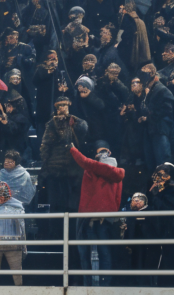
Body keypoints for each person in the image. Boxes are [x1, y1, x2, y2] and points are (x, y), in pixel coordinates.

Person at [73, 144, 126, 285]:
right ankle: (103, 283)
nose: (100, 155)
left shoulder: (102, 168)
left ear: (109, 152)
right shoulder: (104, 171)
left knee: (90, 252)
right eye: (98, 152)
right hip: (100, 216)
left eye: (103, 152)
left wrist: (72, 149)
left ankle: (92, 283)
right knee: (101, 252)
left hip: (93, 215)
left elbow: (85, 162)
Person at [39, 97, 89, 216]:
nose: (63, 108)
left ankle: (70, 232)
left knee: (72, 204)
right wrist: (46, 164)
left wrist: (72, 124)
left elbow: (84, 130)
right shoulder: (51, 123)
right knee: (57, 205)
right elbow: (46, 145)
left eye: (65, 105)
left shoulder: (75, 121)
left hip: (73, 169)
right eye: (60, 106)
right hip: (56, 169)